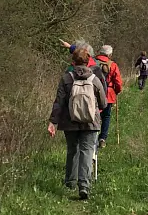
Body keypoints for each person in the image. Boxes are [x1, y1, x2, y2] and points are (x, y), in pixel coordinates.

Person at [48, 45, 107, 201]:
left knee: (72, 150)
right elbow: (103, 103)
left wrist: (53, 122)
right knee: (87, 151)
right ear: (89, 62)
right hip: (91, 122)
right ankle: (84, 186)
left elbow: (58, 102)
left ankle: (70, 182)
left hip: (70, 121)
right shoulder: (94, 79)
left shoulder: (66, 78)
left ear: (73, 62)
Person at [94, 44, 123, 149]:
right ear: (109, 54)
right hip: (108, 94)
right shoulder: (113, 65)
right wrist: (117, 91)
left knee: (94, 115)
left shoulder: (93, 62)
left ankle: (93, 136)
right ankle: (102, 138)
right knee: (106, 116)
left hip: (94, 93)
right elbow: (118, 82)